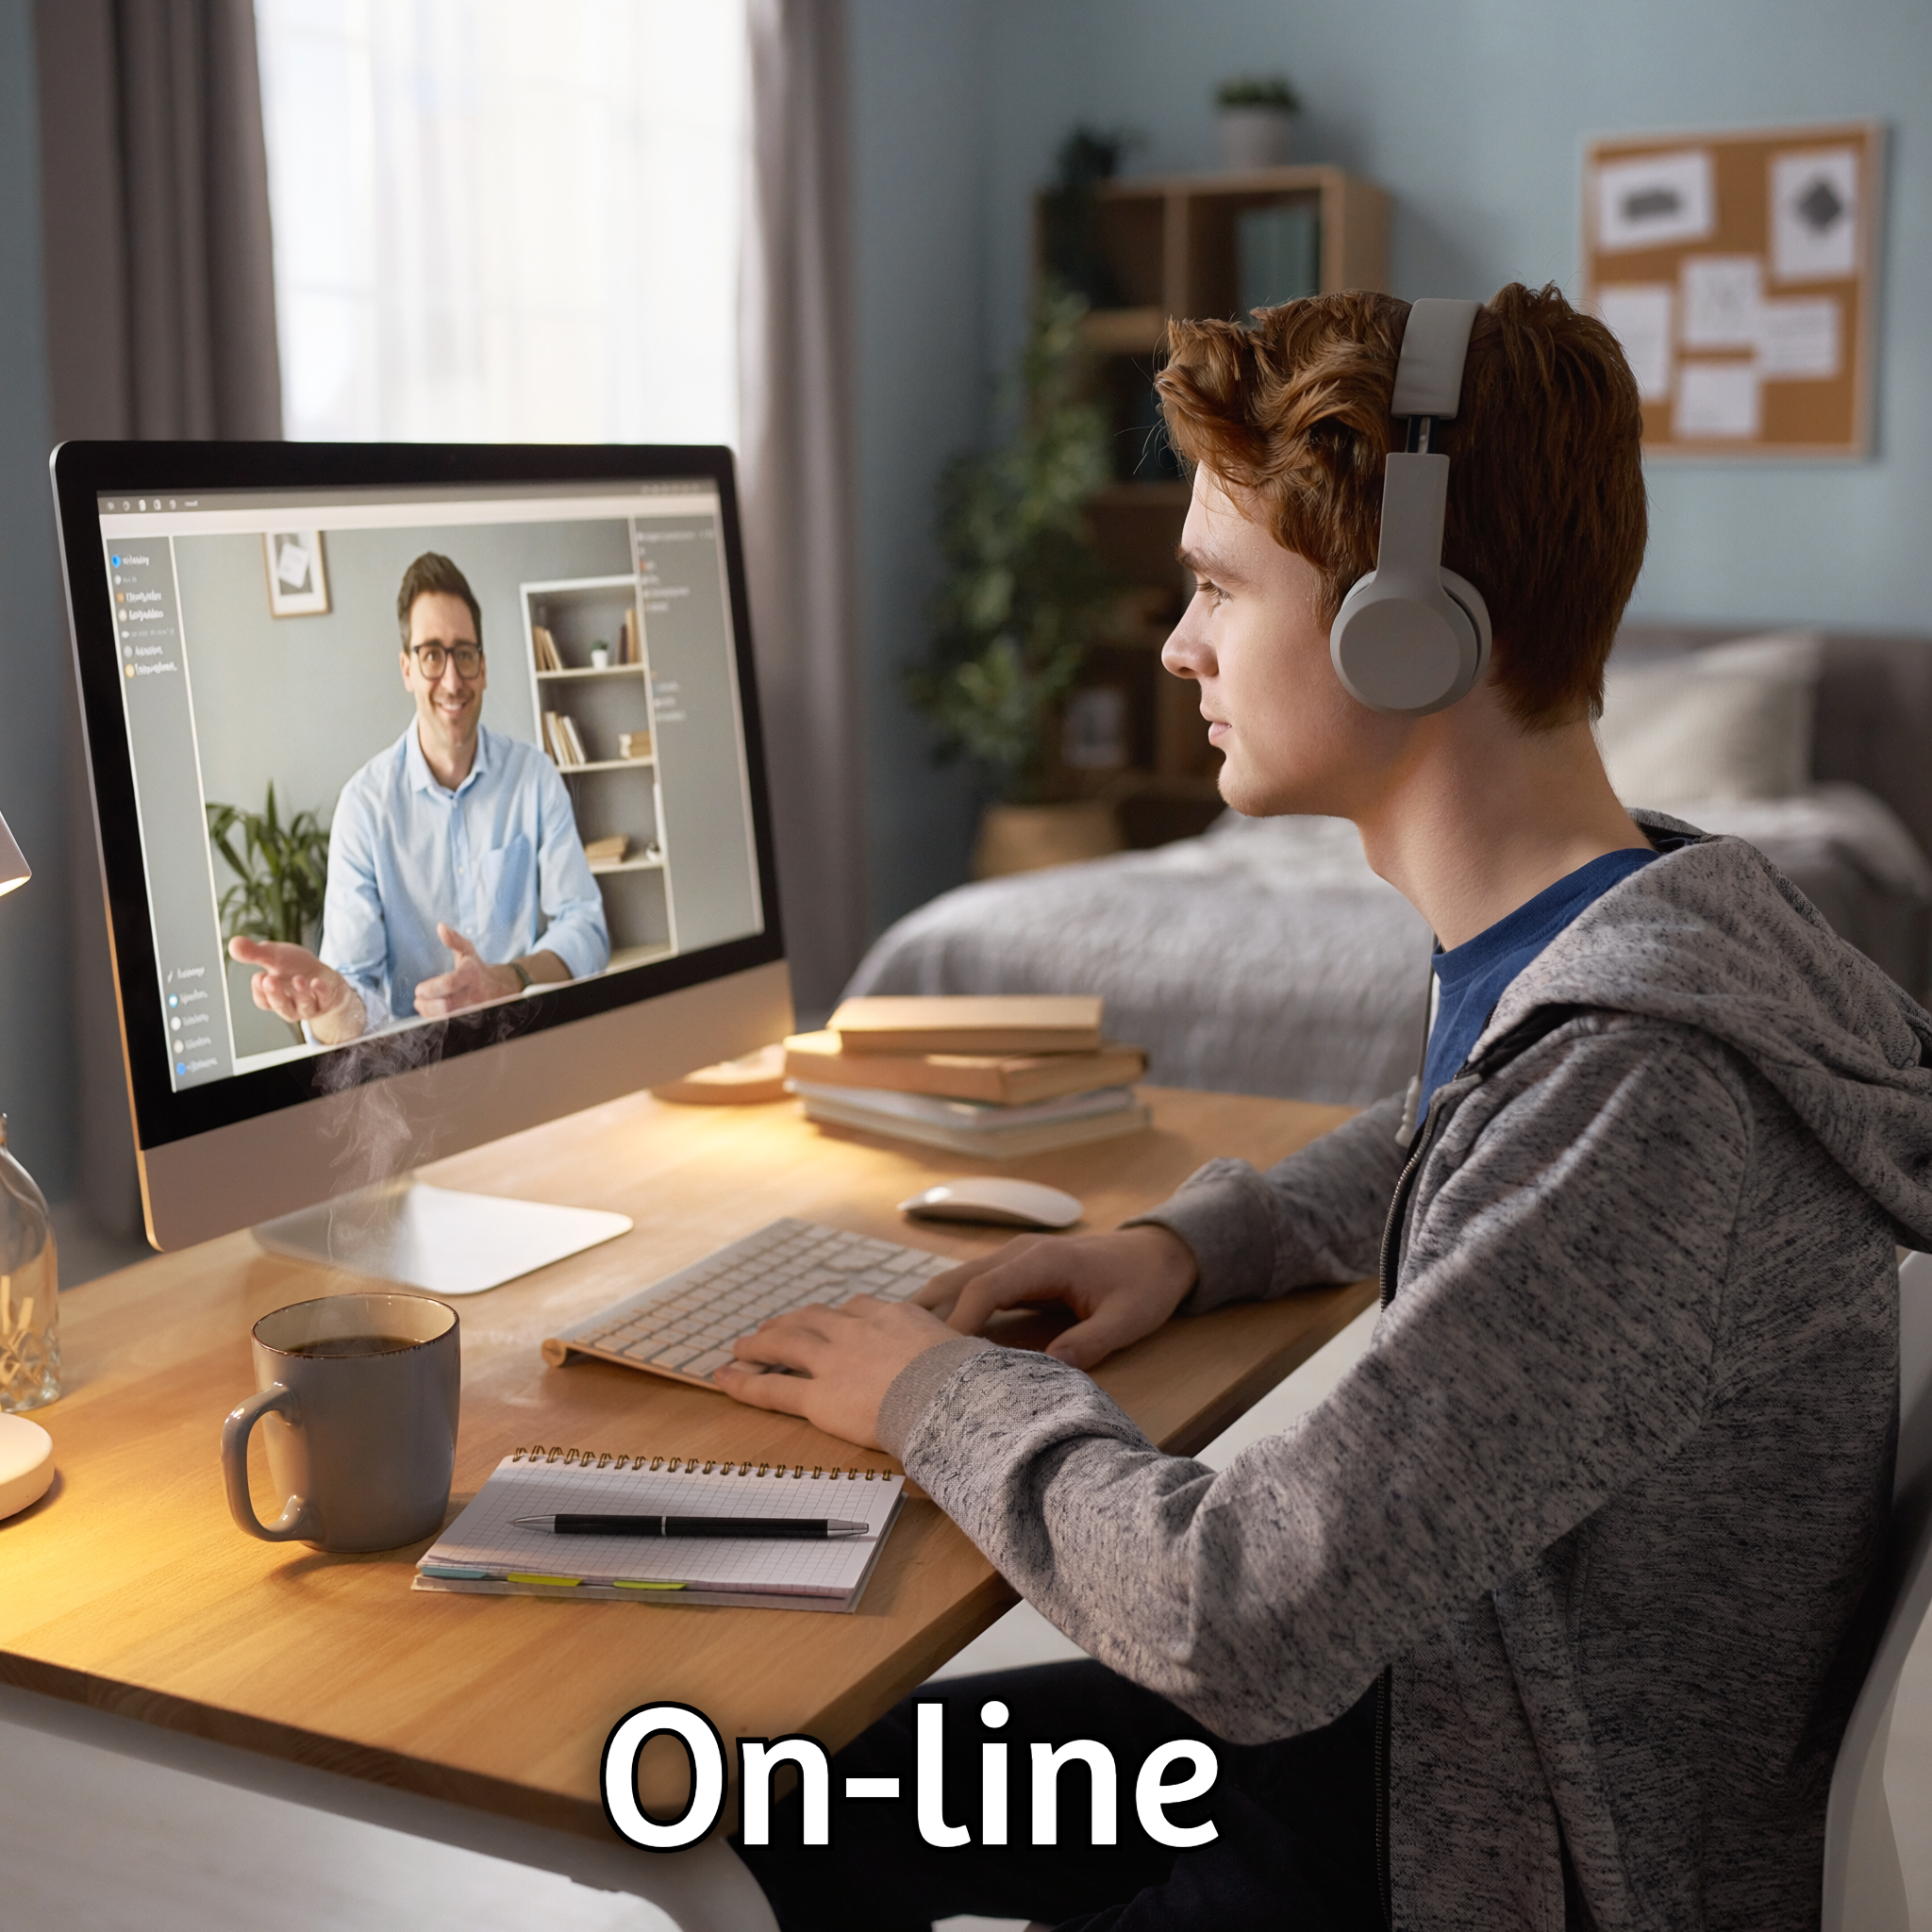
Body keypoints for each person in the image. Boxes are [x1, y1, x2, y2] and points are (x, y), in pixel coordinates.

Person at [718, 287, 1932, 1930]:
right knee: (797, 1805)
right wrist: (1195, 1240)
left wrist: (936, 1392)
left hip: (1489, 1852)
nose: (1177, 646)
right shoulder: (1627, 937)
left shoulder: (1647, 1088)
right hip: (1436, 1713)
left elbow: (1238, 1610)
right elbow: (1477, 1137)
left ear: (1407, 627)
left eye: (1217, 586)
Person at [232, 552, 609, 1042]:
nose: (452, 681)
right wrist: (330, 1000)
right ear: (407, 668)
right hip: (414, 1079)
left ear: (484, 667)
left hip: (526, 1044)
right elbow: (355, 1001)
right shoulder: (364, 808)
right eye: (432, 655)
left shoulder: (534, 777)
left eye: (465, 655)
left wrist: (507, 978)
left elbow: (587, 926)